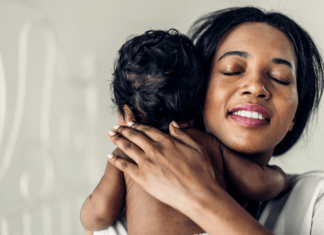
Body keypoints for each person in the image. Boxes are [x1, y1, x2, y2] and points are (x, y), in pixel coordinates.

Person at [105, 6, 324, 235]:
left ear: (295, 115)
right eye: (232, 70)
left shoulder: (315, 199)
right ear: (198, 94)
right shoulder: (133, 195)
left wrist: (199, 195)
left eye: (279, 77)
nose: (256, 87)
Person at [80, 28, 290, 235]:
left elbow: (101, 212)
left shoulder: (127, 154)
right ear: (198, 104)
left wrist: (86, 216)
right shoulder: (207, 145)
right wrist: (281, 179)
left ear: (127, 114)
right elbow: (257, 184)